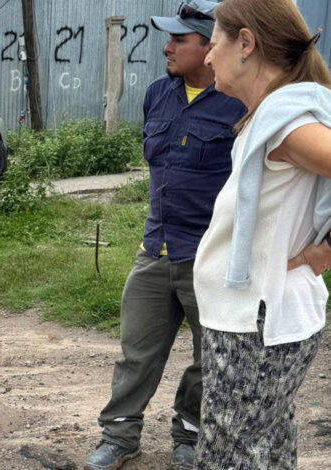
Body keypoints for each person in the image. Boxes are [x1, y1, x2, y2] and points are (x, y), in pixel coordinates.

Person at [84, 2, 246, 470]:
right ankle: (119, 436)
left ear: (209, 45)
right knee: (136, 352)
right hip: (155, 249)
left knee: (208, 356)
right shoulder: (158, 93)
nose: (167, 47)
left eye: (179, 40)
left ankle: (190, 434)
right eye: (169, 38)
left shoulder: (240, 102)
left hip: (210, 257)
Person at [193, 0, 331, 467]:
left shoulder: (286, 123)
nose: (208, 58)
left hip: (256, 325)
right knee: (265, 450)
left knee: (230, 458)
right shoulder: (275, 117)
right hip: (256, 320)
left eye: (214, 45)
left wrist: (327, 249)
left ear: (246, 43)